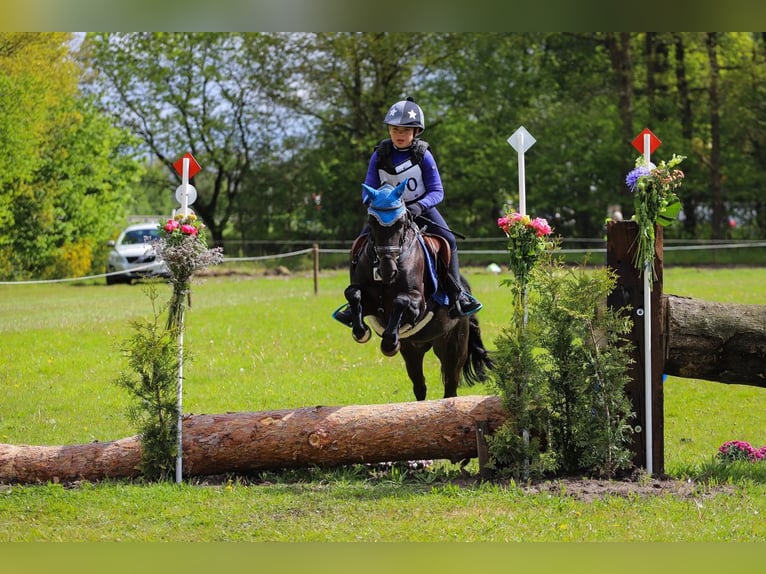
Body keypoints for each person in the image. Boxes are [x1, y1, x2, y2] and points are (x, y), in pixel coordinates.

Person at [333, 97, 482, 326]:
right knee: (359, 244)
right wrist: (372, 202)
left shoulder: (422, 155)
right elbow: (368, 186)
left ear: (416, 131)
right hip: (387, 214)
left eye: (405, 130)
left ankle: (456, 294)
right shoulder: (380, 154)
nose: (399, 134)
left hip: (419, 209)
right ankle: (356, 305)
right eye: (394, 129)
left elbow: (437, 191)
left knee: (449, 240)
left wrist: (418, 206)